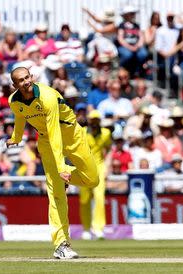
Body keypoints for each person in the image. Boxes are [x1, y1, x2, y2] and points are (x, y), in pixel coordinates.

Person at [7, 67, 99, 259]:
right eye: (21, 80)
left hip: (72, 135)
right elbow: (20, 116)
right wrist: (16, 137)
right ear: (14, 85)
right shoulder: (13, 101)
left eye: (28, 77)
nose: (26, 82)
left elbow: (55, 131)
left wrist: (62, 167)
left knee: (92, 180)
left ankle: (63, 176)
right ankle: (61, 244)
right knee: (55, 193)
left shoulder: (47, 96)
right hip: (46, 142)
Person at [79, 110, 112, 240]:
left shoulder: (106, 133)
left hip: (99, 167)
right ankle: (86, 229)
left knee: (99, 197)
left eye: (97, 120)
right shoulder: (82, 132)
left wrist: (107, 166)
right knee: (85, 199)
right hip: (84, 167)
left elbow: (109, 149)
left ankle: (98, 228)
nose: (94, 123)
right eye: (93, 120)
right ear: (89, 121)